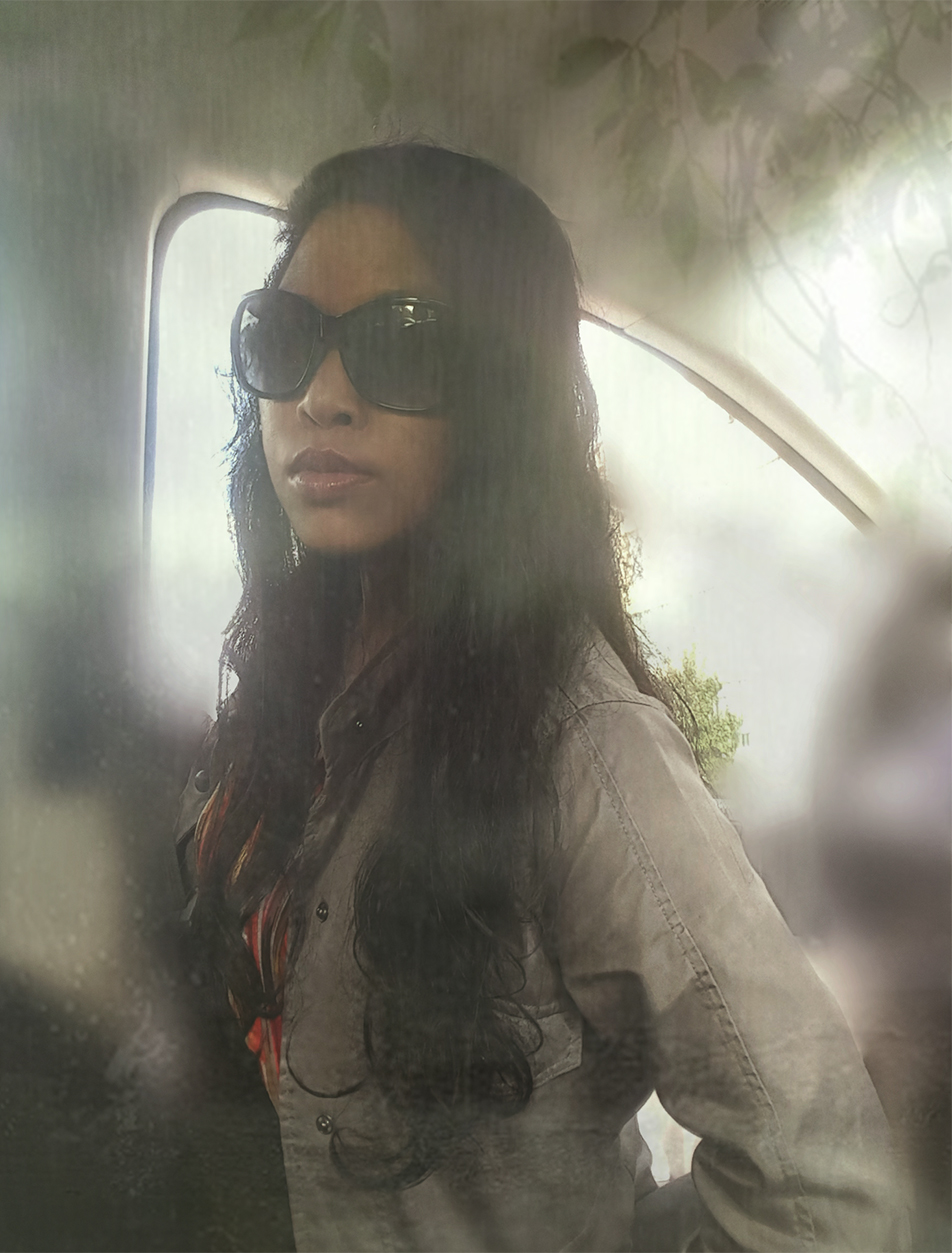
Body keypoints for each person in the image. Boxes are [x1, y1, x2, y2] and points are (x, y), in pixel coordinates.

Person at [173, 143, 908, 1252]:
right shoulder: (297, 664)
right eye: (283, 337)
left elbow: (826, 1190)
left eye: (399, 343)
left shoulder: (580, 741)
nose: (319, 396)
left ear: (500, 398)